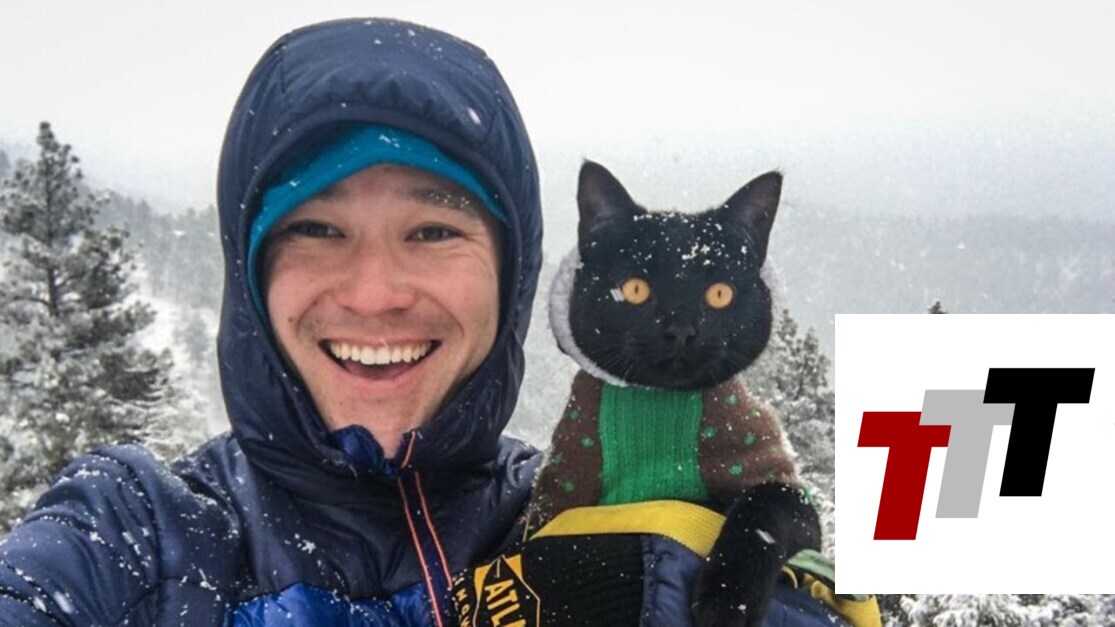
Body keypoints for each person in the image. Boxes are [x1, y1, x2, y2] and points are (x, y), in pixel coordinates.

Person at [0, 17, 542, 626]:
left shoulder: (584, 524)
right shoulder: (134, 537)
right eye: (316, 229)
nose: (373, 295)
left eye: (433, 232)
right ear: (252, 275)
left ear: (511, 272)